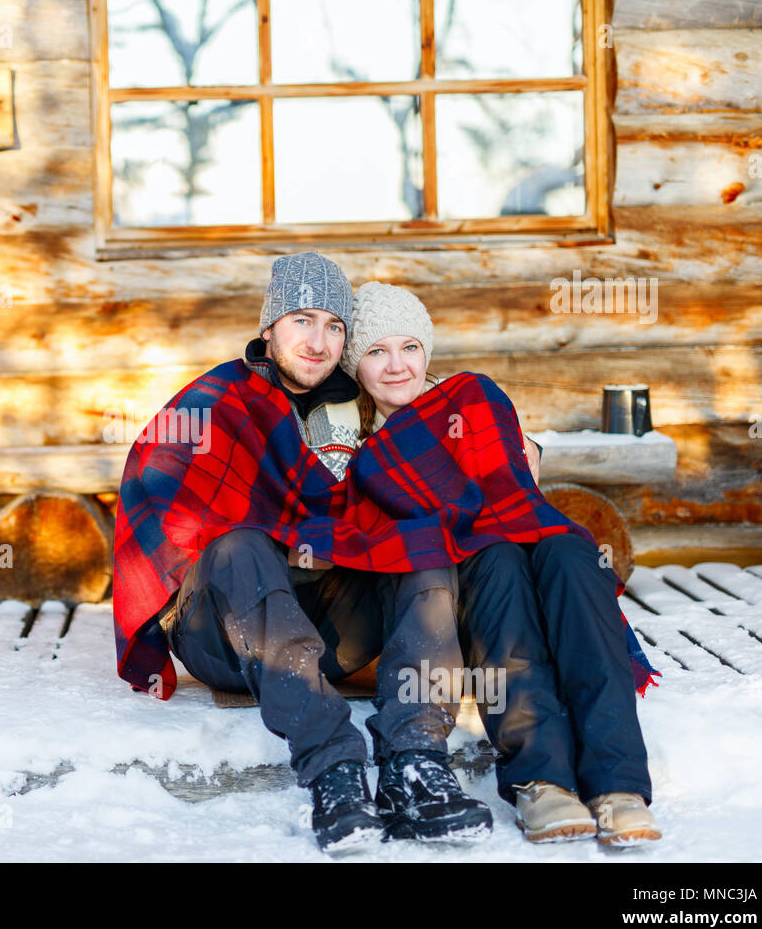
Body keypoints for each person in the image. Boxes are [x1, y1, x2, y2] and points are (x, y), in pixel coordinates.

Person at [113, 252, 492, 852]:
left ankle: (416, 759)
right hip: (228, 632)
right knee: (239, 543)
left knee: (420, 536)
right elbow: (153, 495)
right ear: (270, 328)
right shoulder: (220, 397)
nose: (319, 341)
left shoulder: (365, 402)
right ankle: (336, 768)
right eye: (302, 320)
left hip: (334, 623)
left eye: (335, 326)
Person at [338, 280, 662, 847]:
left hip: (522, 539)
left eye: (409, 348)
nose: (396, 367)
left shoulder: (470, 398)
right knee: (497, 560)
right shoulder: (350, 437)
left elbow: (517, 488)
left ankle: (619, 786)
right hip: (440, 579)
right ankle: (542, 780)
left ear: (427, 351)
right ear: (355, 365)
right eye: (376, 351)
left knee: (571, 552)